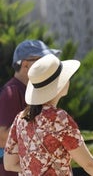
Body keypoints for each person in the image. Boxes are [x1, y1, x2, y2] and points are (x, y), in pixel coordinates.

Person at [4, 54, 93, 176]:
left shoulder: (21, 118)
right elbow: (89, 164)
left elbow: (9, 164)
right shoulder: (58, 119)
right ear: (61, 84)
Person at [0, 40, 60, 176]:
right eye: (42, 61)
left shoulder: (28, 92)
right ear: (25, 64)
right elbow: (2, 138)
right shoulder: (12, 92)